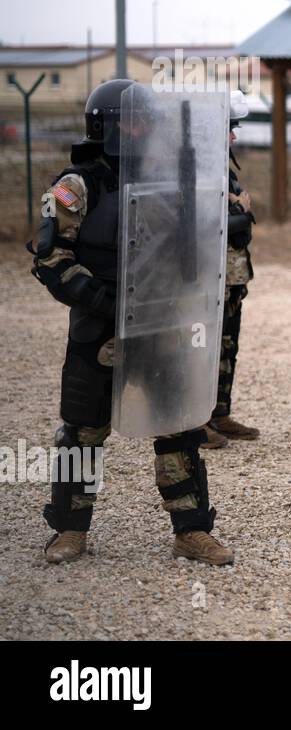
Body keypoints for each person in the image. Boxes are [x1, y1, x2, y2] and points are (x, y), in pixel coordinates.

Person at [31, 79, 233, 565]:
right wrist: (105, 300)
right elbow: (51, 259)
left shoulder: (169, 177)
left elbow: (203, 248)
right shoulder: (77, 186)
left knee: (179, 426)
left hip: (161, 325)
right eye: (131, 120)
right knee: (83, 431)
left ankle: (190, 529)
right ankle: (70, 530)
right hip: (100, 326)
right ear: (106, 125)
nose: (142, 128)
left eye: (147, 119)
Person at [201, 89, 260, 448]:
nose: (234, 136)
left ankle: (219, 413)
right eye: (229, 128)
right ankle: (197, 420)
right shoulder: (200, 170)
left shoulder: (222, 168)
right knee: (204, 350)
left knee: (227, 346)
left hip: (233, 276)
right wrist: (240, 211)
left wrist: (239, 211)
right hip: (210, 276)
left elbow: (240, 219)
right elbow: (211, 221)